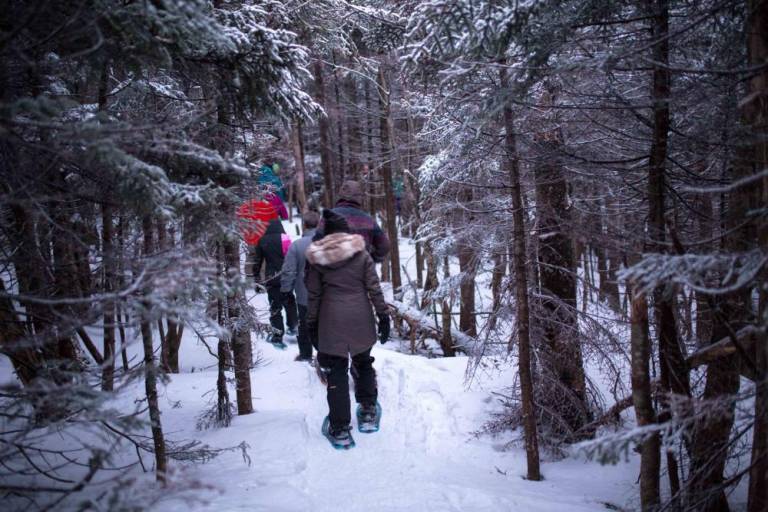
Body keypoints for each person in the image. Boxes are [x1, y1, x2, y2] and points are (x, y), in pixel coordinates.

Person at [305, 209, 390, 445]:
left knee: (337, 371)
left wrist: (311, 324)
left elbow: (314, 296)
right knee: (363, 362)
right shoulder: (361, 255)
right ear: (346, 232)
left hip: (331, 319)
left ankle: (340, 428)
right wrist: (383, 316)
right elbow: (374, 288)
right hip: (360, 316)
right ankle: (369, 412)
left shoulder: (316, 259)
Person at [315, 180, 390, 263]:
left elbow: (316, 242)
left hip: (332, 272)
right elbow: (384, 246)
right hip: (361, 270)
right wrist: (371, 259)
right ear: (359, 198)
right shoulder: (368, 220)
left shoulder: (328, 216)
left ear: (340, 196)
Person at [280, 211, 319, 362]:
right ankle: (327, 355)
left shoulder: (296, 246)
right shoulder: (328, 244)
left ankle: (305, 354)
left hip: (304, 294)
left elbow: (289, 271)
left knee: (304, 324)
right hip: (326, 294)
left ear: (304, 225)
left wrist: (286, 290)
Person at [252, 218, 298, 347]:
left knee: (275, 307)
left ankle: (277, 335)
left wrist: (257, 278)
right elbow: (292, 257)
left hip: (271, 277)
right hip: (287, 276)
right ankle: (293, 326)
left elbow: (257, 262)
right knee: (290, 302)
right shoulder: (285, 238)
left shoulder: (262, 240)